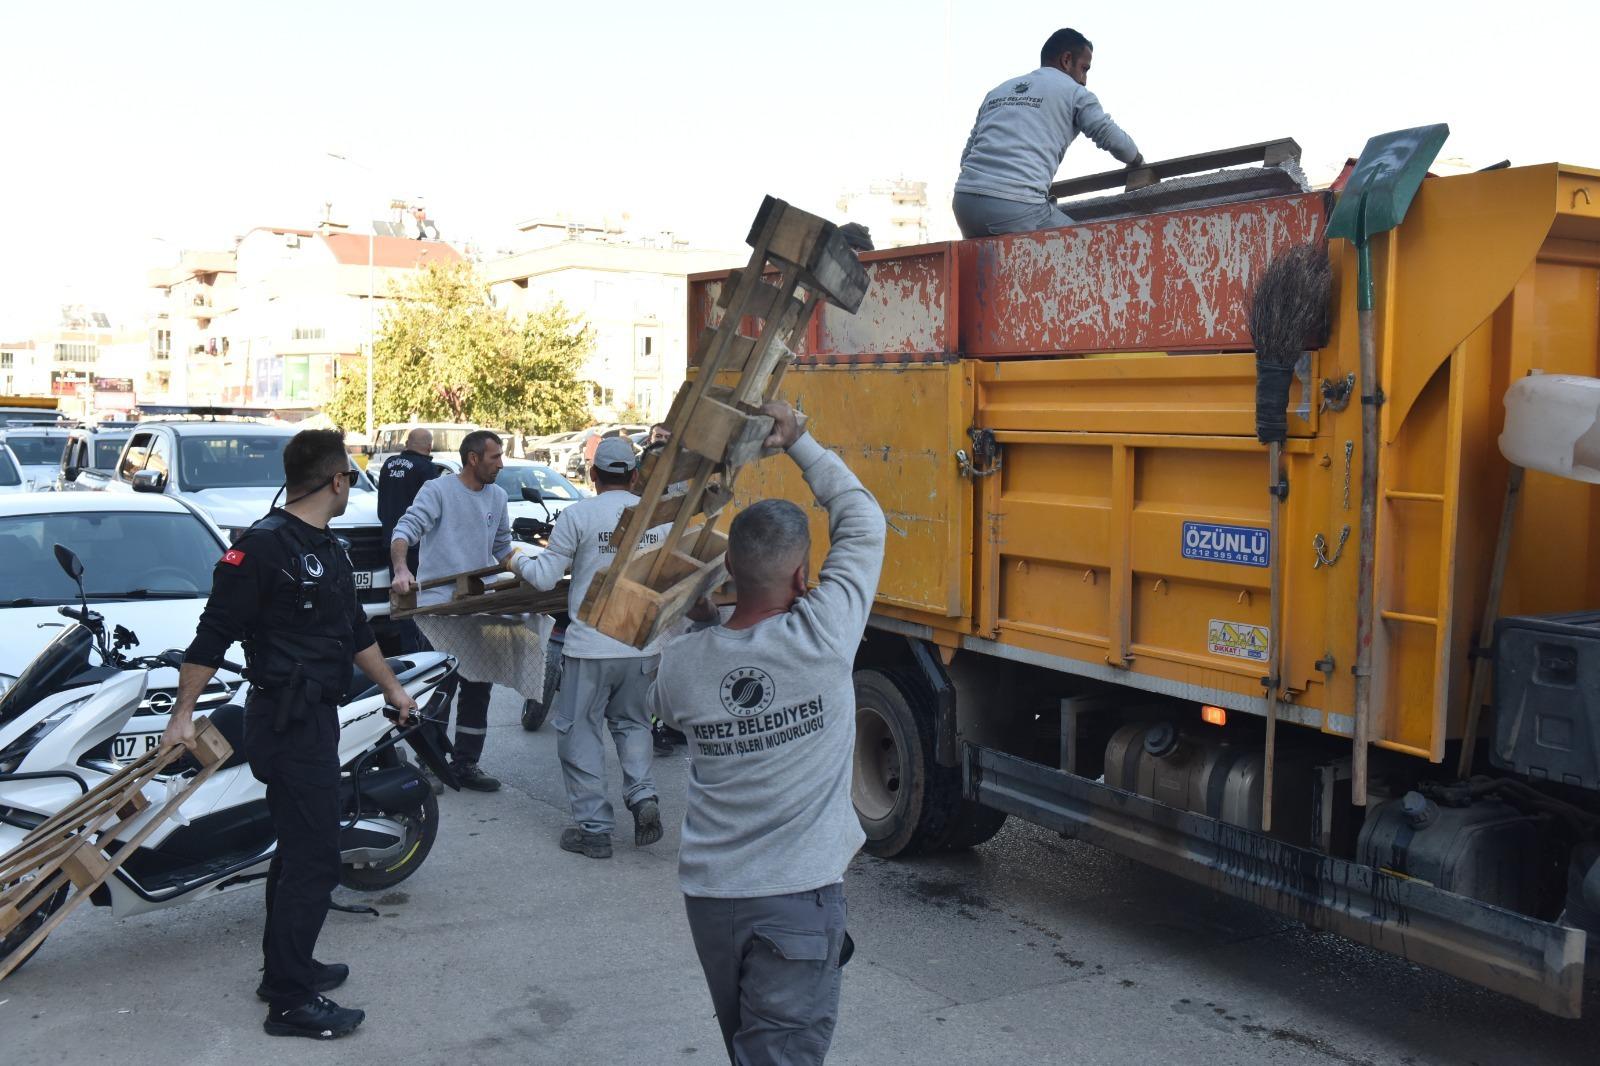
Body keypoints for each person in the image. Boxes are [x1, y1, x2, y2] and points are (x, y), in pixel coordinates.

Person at [160, 429, 419, 1040]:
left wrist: (393, 688)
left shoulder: (326, 547)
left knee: (300, 850)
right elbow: (212, 634)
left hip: (315, 719)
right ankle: (289, 1001)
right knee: (315, 858)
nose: (351, 485)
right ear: (335, 480)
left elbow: (355, 630)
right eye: (350, 477)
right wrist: (181, 714)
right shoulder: (262, 548)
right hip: (283, 720)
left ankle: (288, 967)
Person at [648, 402, 886, 1064]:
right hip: (794, 903)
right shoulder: (824, 635)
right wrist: (801, 442)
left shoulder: (686, 663)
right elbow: (863, 522)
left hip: (712, 901)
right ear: (804, 577)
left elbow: (666, 704)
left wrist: (693, 622)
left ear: (730, 575)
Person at [509, 436, 665, 859]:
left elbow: (543, 578)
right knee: (633, 724)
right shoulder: (658, 518)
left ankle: (595, 830)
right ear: (634, 475)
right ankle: (643, 795)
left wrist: (511, 556)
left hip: (591, 648)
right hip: (642, 646)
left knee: (580, 732)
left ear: (593, 475)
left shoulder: (579, 515)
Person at [389, 429, 515, 792]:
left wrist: (530, 569)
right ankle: (430, 762)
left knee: (478, 688)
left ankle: (465, 764)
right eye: (495, 457)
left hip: (478, 606)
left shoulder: (499, 497)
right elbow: (405, 530)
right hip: (438, 608)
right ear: (473, 459)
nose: (501, 464)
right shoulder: (438, 490)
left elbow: (503, 547)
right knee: (440, 689)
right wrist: (401, 568)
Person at [952, 28, 1144, 238]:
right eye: (1084, 68)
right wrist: (1137, 160)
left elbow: (967, 157)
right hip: (1017, 206)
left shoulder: (998, 91)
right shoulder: (1075, 93)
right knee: (1091, 249)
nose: (1084, 80)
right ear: (1067, 60)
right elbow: (1112, 138)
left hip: (965, 202)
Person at [376, 428, 442, 657]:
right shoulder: (426, 468)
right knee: (419, 597)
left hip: (390, 539)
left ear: (407, 443)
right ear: (429, 447)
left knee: (400, 591)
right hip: (415, 544)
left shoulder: (389, 463)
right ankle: (417, 651)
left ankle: (404, 646)